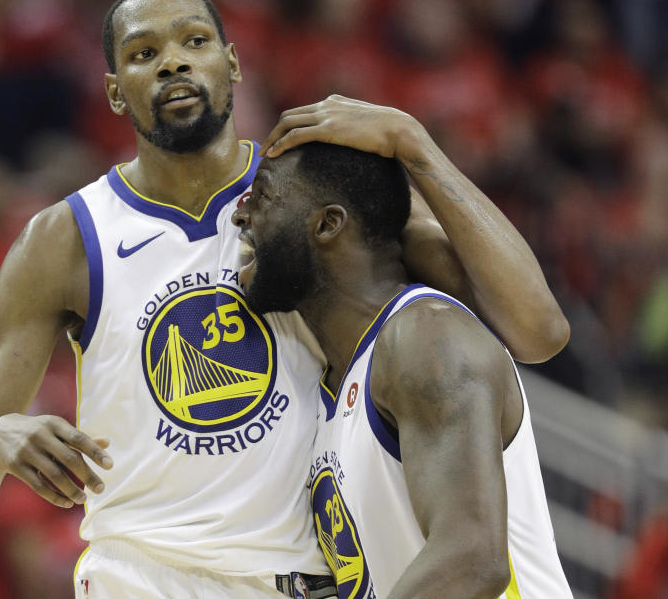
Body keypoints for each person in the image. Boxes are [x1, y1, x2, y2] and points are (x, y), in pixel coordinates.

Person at [0, 0, 569, 598]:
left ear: (232, 62)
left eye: (194, 41)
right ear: (116, 92)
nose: (173, 62)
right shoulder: (64, 239)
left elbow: (537, 332)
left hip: (309, 580)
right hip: (144, 577)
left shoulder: (309, 196)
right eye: (144, 54)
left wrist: (412, 141)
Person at [231, 139, 572, 598]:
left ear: (329, 224)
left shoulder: (426, 337)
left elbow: (471, 560)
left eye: (264, 197)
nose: (240, 216)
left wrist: (407, 139)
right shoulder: (332, 390)